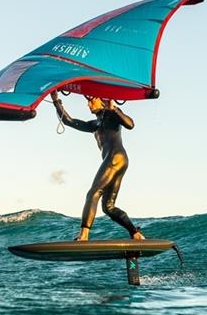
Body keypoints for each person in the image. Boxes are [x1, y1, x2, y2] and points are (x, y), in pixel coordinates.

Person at [51, 91, 146, 241]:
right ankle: (136, 233)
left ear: (102, 101)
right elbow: (69, 121)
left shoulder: (112, 115)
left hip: (115, 158)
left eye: (91, 100)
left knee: (93, 193)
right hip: (119, 160)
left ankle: (84, 235)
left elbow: (130, 124)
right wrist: (56, 101)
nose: (88, 104)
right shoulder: (95, 124)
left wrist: (114, 108)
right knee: (108, 207)